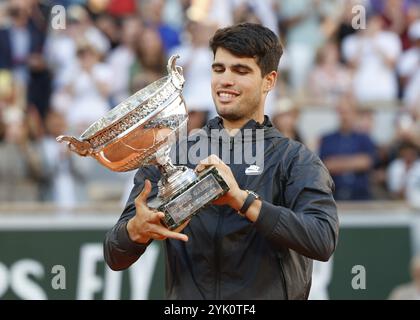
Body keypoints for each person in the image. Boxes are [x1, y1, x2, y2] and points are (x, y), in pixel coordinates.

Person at [104, 23, 339, 300]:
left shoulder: (295, 159)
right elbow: (114, 255)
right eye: (219, 69)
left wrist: (242, 201)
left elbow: (322, 239)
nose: (225, 80)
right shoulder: (173, 154)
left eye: (240, 71)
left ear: (269, 80)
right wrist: (135, 230)